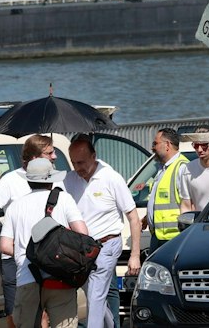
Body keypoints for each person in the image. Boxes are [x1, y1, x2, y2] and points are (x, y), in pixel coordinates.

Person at [0, 134, 54, 327]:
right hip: (14, 257)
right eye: (49, 153)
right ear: (35, 158)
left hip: (45, 256)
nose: (55, 156)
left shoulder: (54, 178)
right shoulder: (11, 180)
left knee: (43, 313)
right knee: (14, 311)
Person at [64, 136, 141, 328]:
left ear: (94, 156)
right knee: (96, 297)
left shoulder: (111, 178)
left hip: (107, 244)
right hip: (81, 249)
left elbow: (133, 218)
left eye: (81, 162)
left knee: (96, 294)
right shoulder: (68, 179)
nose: (77, 167)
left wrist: (135, 255)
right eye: (73, 162)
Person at [13, 159, 89, 328]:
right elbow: (83, 233)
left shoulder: (15, 206)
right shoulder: (64, 199)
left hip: (27, 279)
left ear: (28, 180)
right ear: (51, 179)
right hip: (59, 278)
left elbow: (4, 245)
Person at [145, 129, 190, 248]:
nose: (152, 148)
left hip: (174, 238)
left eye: (155, 143)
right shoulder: (163, 169)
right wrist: (148, 217)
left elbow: (189, 205)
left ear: (167, 145)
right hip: (159, 236)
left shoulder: (182, 168)